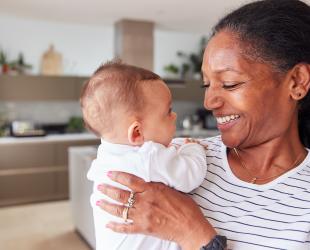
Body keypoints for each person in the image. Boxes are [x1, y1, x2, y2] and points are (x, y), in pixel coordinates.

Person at [95, 0, 310, 249]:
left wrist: (195, 235)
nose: (209, 102)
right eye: (206, 85)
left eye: (230, 83)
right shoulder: (175, 156)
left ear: (297, 81)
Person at [80, 61, 208, 249]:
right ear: (137, 133)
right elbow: (191, 174)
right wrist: (192, 148)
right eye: (168, 111)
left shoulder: (106, 156)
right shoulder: (149, 157)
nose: (174, 116)